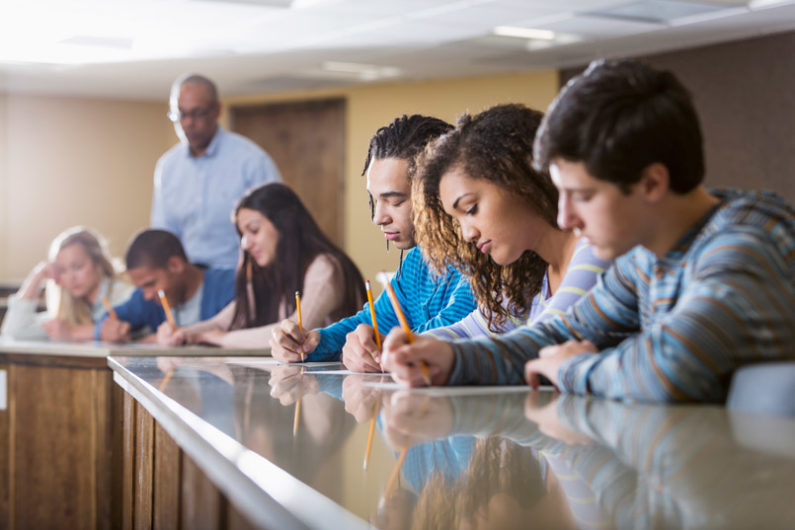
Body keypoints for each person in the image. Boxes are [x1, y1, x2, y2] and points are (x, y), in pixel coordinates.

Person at [382, 59, 795, 403]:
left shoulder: (744, 246)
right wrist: (449, 360)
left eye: (582, 195)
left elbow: (668, 369)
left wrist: (572, 368)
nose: (565, 219)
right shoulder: (644, 257)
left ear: (651, 183)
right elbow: (557, 335)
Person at [269, 115, 476, 364]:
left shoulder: (485, 256)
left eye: (395, 201)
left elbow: (454, 331)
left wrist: (378, 345)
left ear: (439, 192)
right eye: (374, 200)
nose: (378, 217)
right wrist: (310, 342)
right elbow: (371, 322)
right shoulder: (416, 264)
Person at [414, 103, 609, 343]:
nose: (467, 234)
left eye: (471, 209)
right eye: (458, 221)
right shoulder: (532, 276)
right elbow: (467, 331)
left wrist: (437, 354)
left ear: (518, 177)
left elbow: (544, 340)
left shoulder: (595, 247)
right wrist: (401, 347)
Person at [156, 183, 366, 348]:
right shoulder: (270, 273)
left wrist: (222, 339)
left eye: (254, 230)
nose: (245, 244)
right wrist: (183, 332)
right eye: (242, 235)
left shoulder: (325, 267)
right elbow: (222, 322)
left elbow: (297, 331)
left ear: (285, 225)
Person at [151, 73, 281, 269]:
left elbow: (277, 226)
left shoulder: (251, 160)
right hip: (189, 278)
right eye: (180, 114)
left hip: (240, 272)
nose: (188, 123)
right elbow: (164, 233)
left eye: (197, 113)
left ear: (216, 110)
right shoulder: (168, 166)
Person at [95, 229, 235, 342]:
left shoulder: (230, 285)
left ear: (175, 265)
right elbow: (110, 318)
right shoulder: (146, 299)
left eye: (150, 284)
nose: (147, 295)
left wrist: (152, 340)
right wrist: (108, 329)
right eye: (141, 287)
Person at [1, 227, 133, 341]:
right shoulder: (70, 310)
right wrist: (38, 275)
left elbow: (127, 332)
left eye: (78, 267)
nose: (71, 278)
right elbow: (15, 330)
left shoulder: (125, 295)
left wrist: (73, 332)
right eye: (62, 270)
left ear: (97, 262)